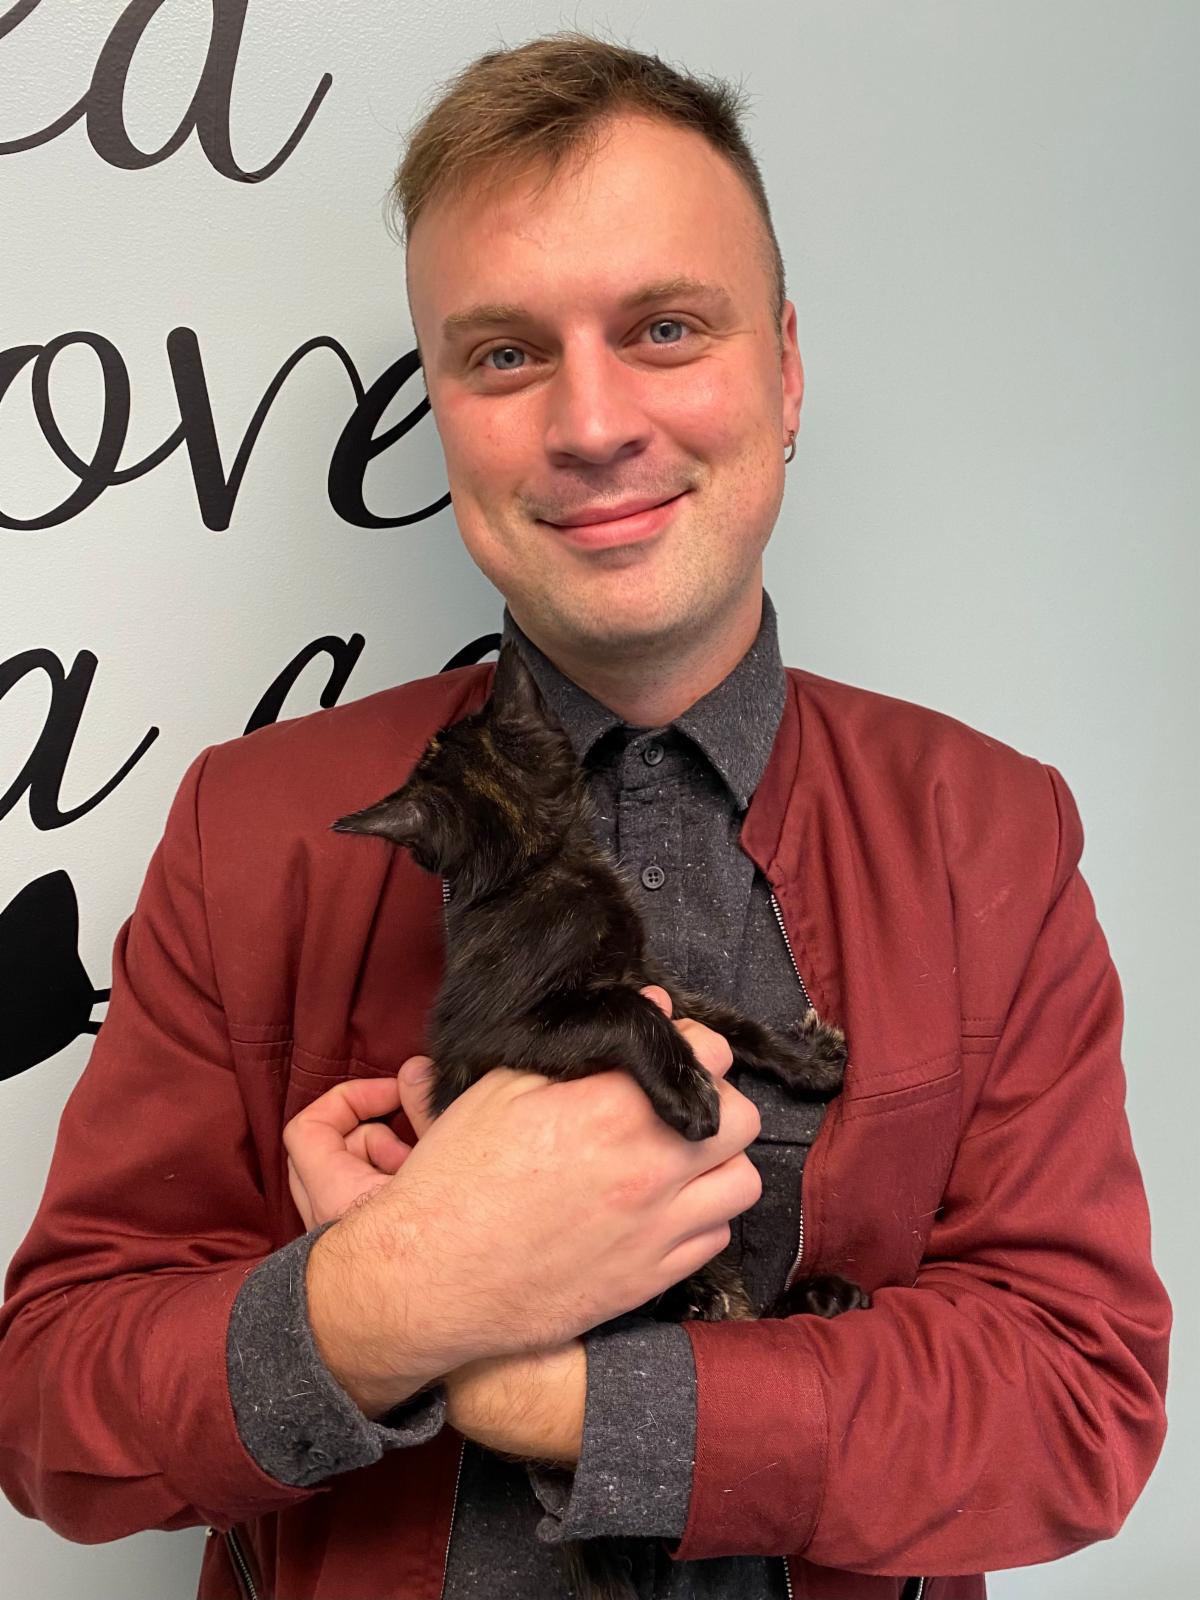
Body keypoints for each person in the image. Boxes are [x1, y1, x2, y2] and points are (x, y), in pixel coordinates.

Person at [0, 32, 1171, 1600]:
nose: (593, 423)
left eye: (666, 328)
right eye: (504, 356)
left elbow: (1076, 1409)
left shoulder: (991, 832)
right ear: (442, 411)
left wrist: (528, 1380)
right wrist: (390, 1296)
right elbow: (53, 1408)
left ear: (785, 368)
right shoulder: (251, 828)